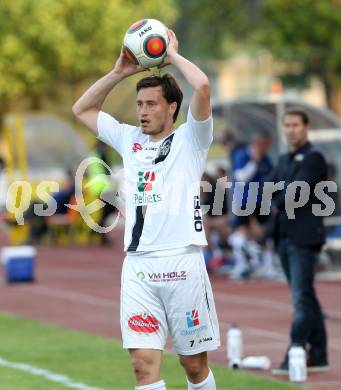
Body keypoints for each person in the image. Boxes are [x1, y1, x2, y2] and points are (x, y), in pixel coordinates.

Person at [72, 29, 220, 390]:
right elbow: (82, 109)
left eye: (151, 104)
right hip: (138, 266)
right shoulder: (129, 139)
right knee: (142, 365)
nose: (143, 112)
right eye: (139, 105)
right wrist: (119, 73)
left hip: (182, 262)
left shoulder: (192, 138)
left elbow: (201, 87)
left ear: (172, 107)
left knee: (193, 365)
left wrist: (171, 56)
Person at [270, 108, 329, 374]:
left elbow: (294, 194)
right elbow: (266, 189)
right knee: (307, 298)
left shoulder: (314, 158)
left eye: (295, 125)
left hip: (305, 239)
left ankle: (294, 350)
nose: (291, 130)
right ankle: (318, 355)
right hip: (285, 237)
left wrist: (278, 195)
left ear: (306, 128)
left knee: (301, 299)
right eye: (287, 125)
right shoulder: (284, 159)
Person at [228, 130, 273, 279]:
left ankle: (267, 265)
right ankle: (242, 265)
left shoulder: (265, 158)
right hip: (244, 200)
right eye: (265, 143)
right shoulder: (242, 155)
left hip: (261, 200)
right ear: (257, 143)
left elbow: (270, 176)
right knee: (243, 233)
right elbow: (241, 177)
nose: (267, 147)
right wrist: (254, 161)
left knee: (264, 233)